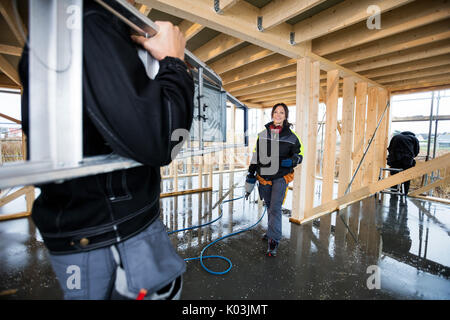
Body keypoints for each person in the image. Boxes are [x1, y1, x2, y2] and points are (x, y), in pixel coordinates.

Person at [18, 0, 194, 299]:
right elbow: (163, 140)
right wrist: (174, 63)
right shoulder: (91, 19)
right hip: (113, 232)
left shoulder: (72, 22)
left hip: (98, 226)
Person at [245, 103, 303, 257]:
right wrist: (251, 172)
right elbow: (256, 155)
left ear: (285, 116)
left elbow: (300, 155)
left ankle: (274, 240)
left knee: (275, 208)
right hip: (264, 176)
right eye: (276, 112)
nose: (278, 115)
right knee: (269, 205)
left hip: (280, 176)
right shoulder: (262, 134)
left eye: (281, 112)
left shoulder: (292, 137)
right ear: (272, 114)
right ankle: (272, 231)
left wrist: (292, 161)